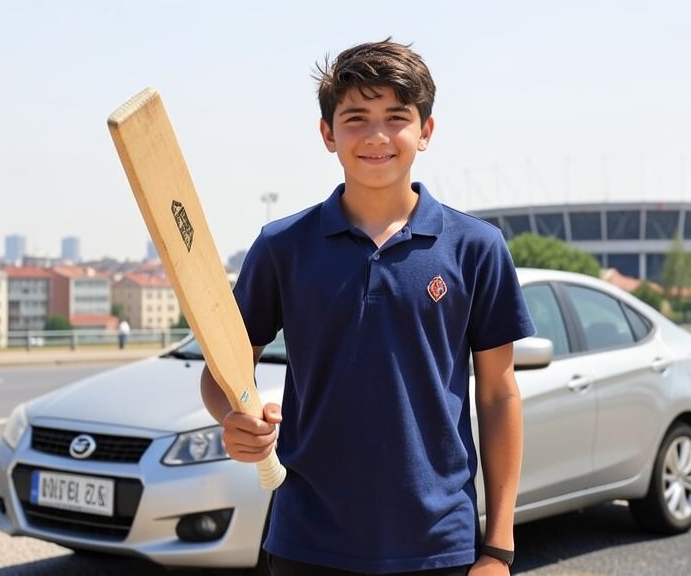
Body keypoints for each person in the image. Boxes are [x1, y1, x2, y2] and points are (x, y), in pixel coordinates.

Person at [201, 39, 535, 576]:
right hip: (307, 541)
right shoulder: (282, 246)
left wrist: (498, 547)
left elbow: (498, 395)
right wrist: (234, 417)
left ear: (425, 131)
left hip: (440, 543)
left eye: (396, 117)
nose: (377, 136)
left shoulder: (477, 247)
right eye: (355, 117)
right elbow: (221, 374)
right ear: (328, 133)